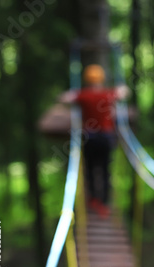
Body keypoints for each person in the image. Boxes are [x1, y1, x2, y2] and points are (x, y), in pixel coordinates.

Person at [59, 64, 129, 218]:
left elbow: (64, 98)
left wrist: (73, 95)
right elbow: (124, 93)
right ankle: (104, 203)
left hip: (89, 138)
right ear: (101, 79)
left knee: (90, 169)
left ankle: (93, 200)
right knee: (105, 170)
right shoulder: (108, 94)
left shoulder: (83, 95)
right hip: (105, 138)